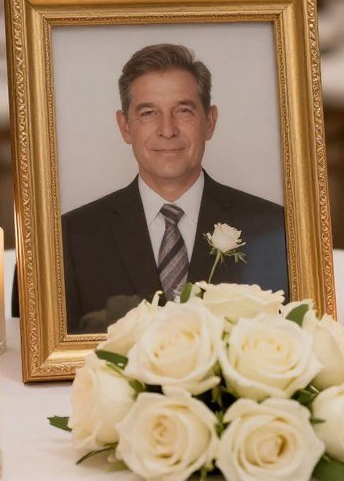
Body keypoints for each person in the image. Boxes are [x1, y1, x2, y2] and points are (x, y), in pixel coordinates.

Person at [62, 43, 289, 333]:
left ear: (210, 121)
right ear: (125, 127)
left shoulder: (274, 230)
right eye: (148, 113)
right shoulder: (70, 238)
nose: (167, 130)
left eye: (183, 110)